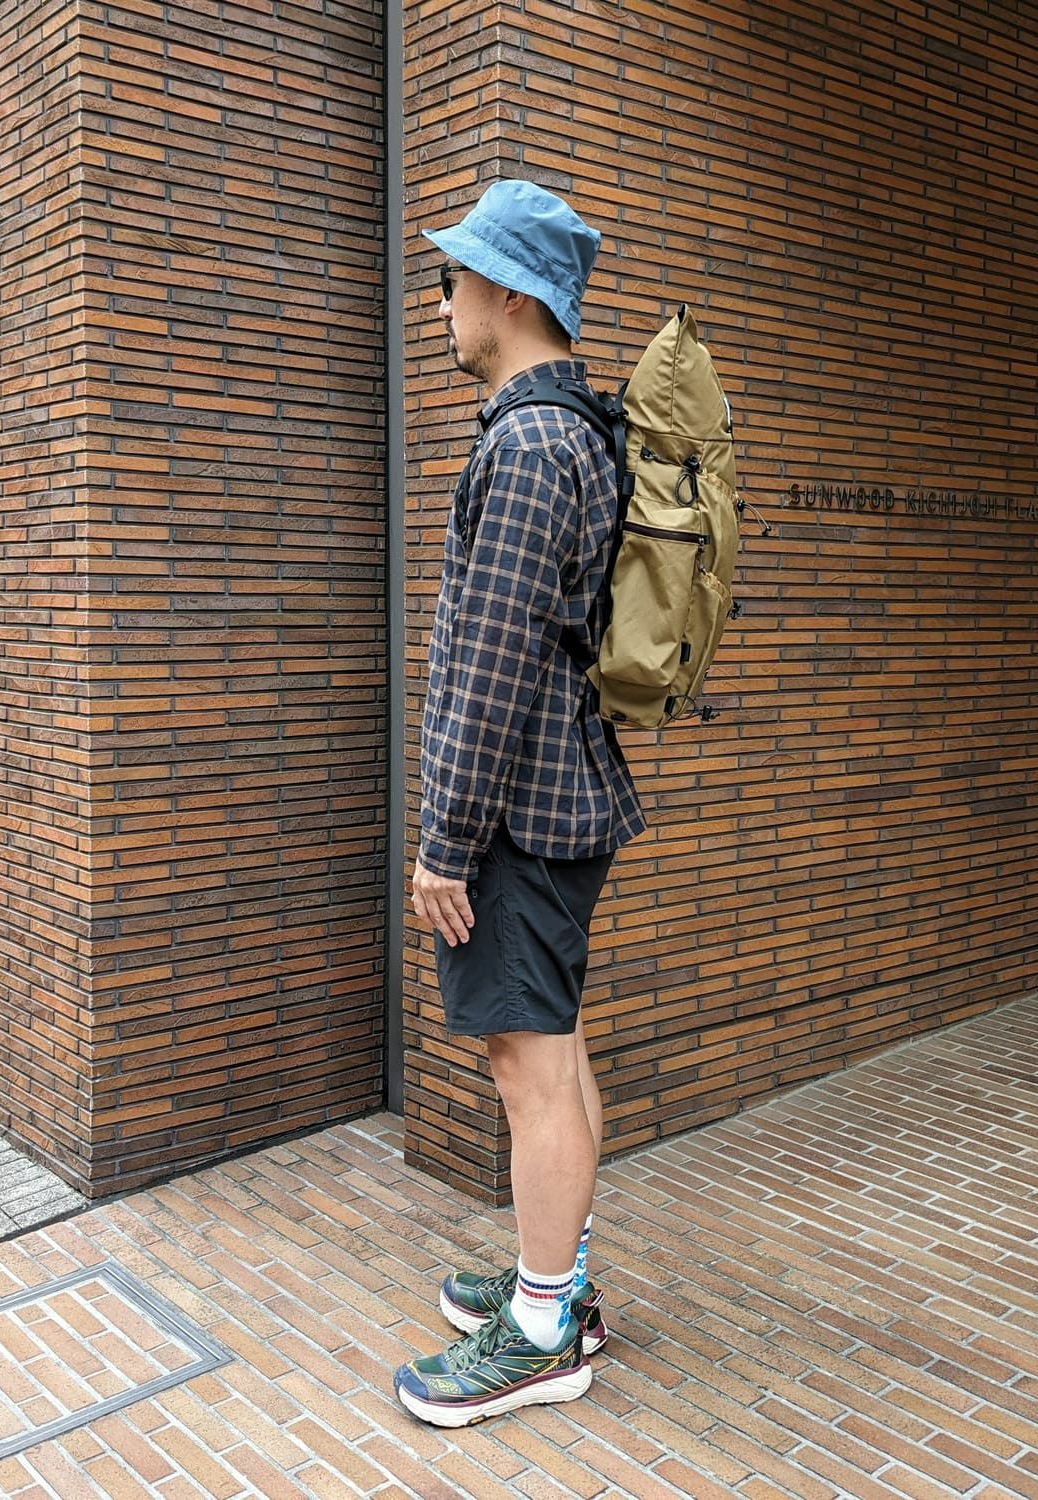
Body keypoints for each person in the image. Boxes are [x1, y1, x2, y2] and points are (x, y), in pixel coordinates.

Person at [392, 179, 646, 1427]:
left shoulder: (532, 443)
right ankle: (560, 1284)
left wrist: (444, 842)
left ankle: (544, 1331)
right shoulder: (564, 430)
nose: (441, 301)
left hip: (519, 821)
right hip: (554, 806)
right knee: (554, 1049)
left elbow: (487, 664)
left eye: (452, 280)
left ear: (504, 292)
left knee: (528, 1070)